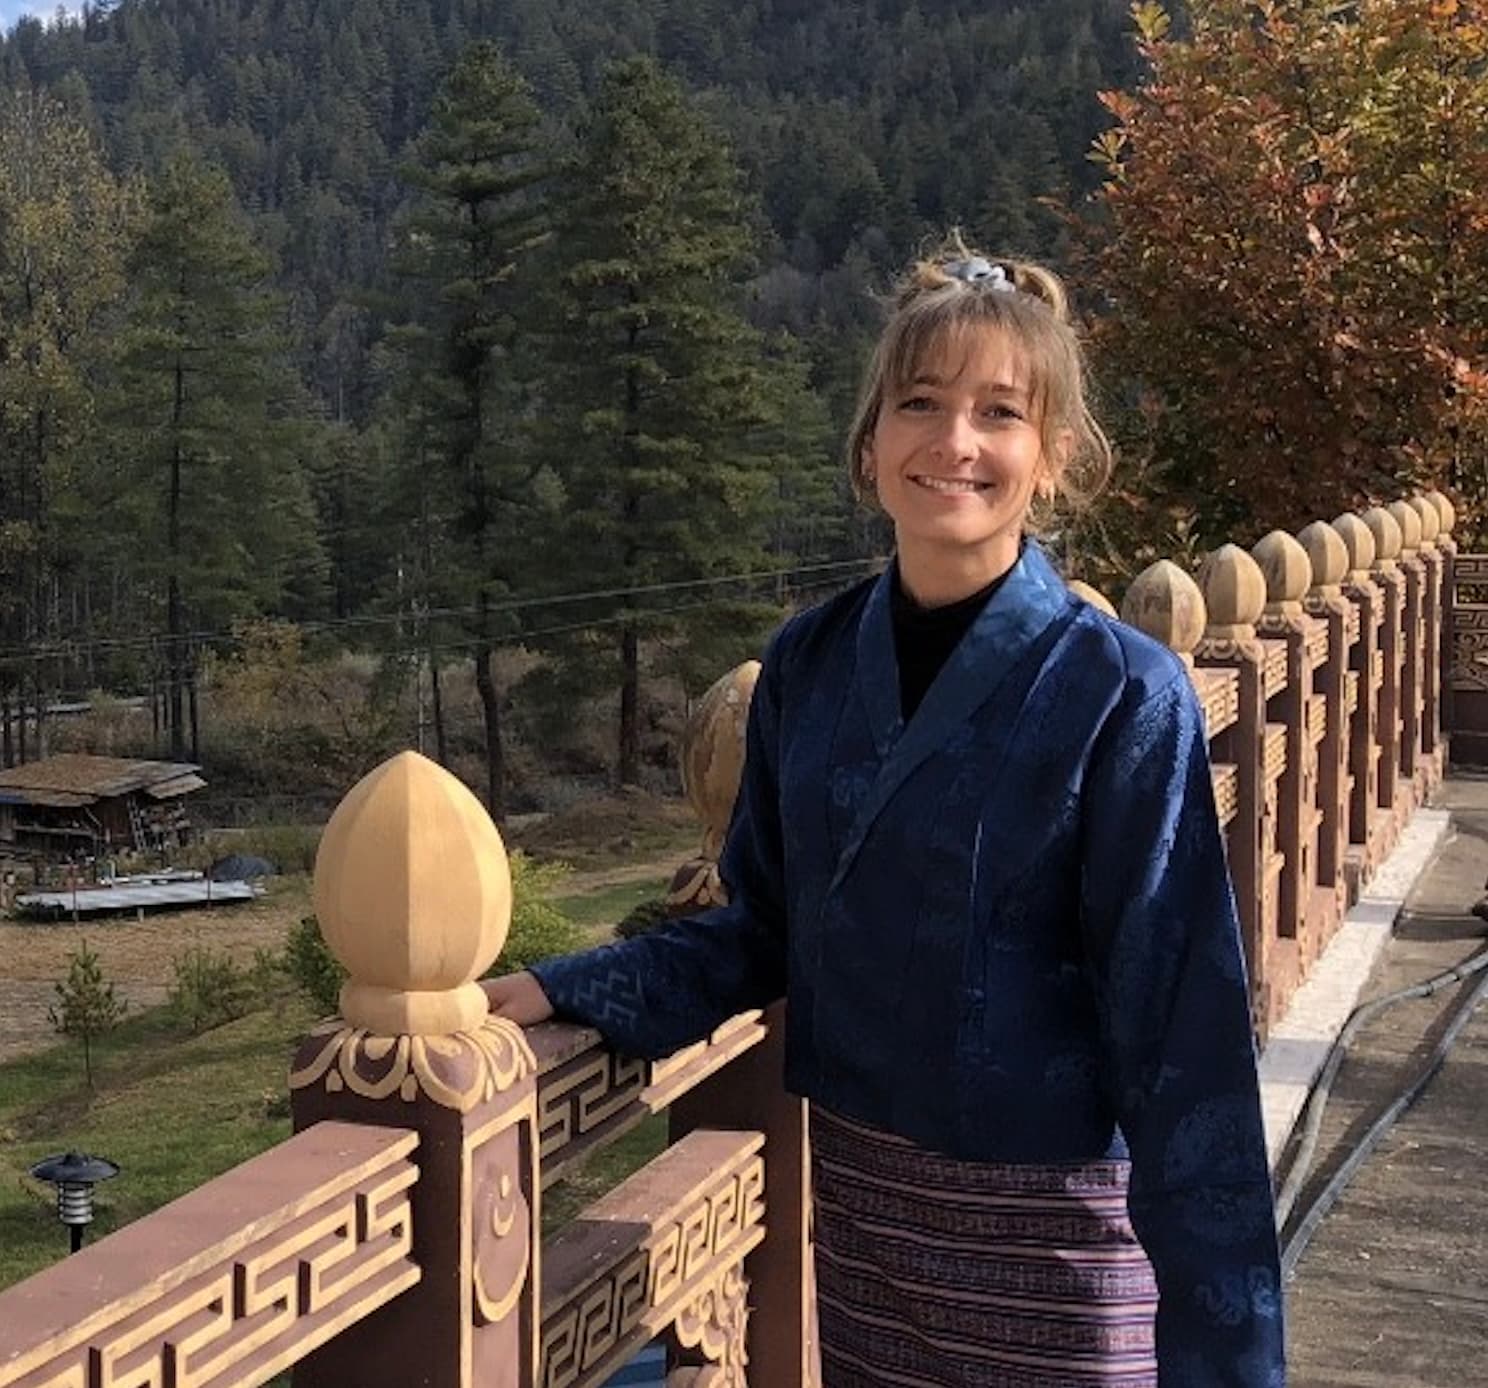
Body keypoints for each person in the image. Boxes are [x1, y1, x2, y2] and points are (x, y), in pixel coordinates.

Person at [486, 242, 1285, 1387]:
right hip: (867, 1220)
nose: (954, 441)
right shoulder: (808, 667)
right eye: (920, 403)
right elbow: (767, 927)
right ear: (870, 445)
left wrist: (1228, 1357)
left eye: (998, 412)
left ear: (1050, 458)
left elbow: (1183, 1039)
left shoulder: (1119, 693)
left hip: (1054, 1238)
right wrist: (573, 987)